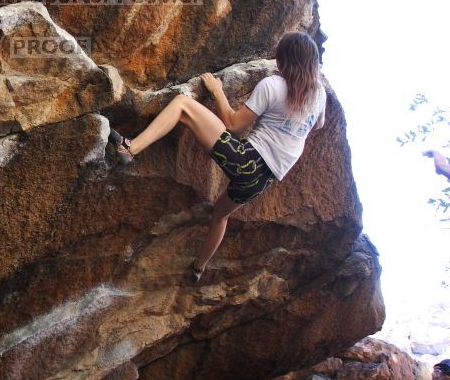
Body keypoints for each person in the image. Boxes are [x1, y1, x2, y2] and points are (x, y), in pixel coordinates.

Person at [108, 31, 327, 284]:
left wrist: (217, 90)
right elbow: (319, 124)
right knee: (221, 216)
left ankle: (130, 148)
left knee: (182, 104)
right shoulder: (318, 95)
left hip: (246, 160)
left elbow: (233, 124)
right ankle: (198, 269)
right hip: (262, 181)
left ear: (282, 59)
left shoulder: (274, 86)